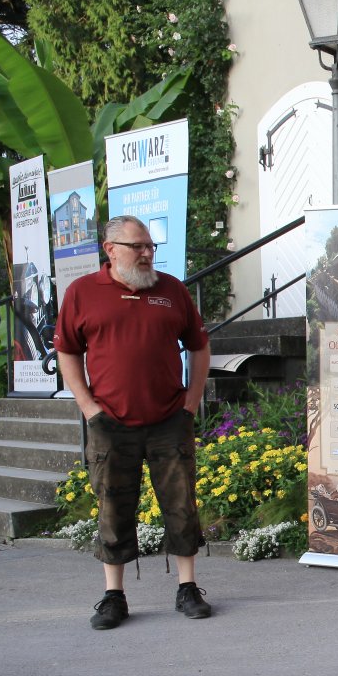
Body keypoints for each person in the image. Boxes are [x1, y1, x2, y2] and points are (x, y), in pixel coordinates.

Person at [54, 215, 214, 630]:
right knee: (113, 507)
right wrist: (88, 407)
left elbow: (199, 346)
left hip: (169, 419)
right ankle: (114, 596)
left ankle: (188, 588)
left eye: (150, 246)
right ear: (110, 250)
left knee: (181, 504)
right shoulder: (82, 292)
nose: (146, 253)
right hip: (109, 421)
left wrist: (191, 402)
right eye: (137, 246)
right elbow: (67, 351)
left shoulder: (172, 291)